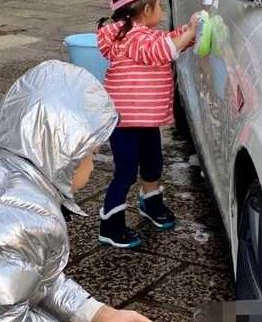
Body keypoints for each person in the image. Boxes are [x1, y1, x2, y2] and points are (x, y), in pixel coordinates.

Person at [0, 60, 151, 322]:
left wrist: (98, 313)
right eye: (92, 153)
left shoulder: (15, 182)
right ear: (64, 152)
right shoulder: (30, 223)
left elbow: (36, 279)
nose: (93, 165)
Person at [97, 0, 198, 248]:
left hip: (146, 120)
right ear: (146, 8)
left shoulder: (143, 35)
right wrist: (189, 32)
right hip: (125, 124)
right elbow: (163, 50)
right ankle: (110, 224)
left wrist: (190, 35)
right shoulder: (132, 38)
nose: (162, 11)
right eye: (159, 5)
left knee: (153, 165)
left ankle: (150, 204)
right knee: (126, 172)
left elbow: (165, 43)